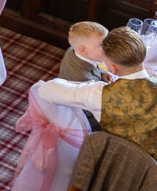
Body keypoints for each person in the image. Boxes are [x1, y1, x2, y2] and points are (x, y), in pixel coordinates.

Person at [38, 28, 157, 160]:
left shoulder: (100, 93)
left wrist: (86, 86)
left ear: (113, 69)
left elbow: (45, 90)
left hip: (118, 161)